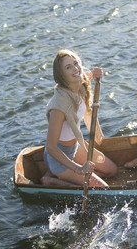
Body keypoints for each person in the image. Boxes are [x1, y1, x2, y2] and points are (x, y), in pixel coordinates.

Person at [41, 49, 118, 187]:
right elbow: (51, 147)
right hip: (59, 159)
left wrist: (95, 74)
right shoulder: (59, 106)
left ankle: (65, 178)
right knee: (103, 189)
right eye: (68, 67)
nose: (75, 69)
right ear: (61, 75)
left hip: (74, 147)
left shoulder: (79, 85)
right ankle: (53, 180)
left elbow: (85, 75)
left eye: (76, 63)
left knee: (112, 171)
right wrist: (78, 169)